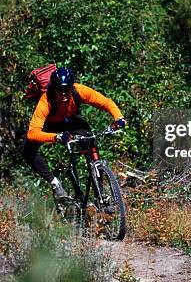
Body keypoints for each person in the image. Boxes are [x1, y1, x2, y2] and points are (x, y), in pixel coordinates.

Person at [23, 66, 126, 199]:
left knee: (90, 140)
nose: (64, 94)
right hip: (50, 126)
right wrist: (56, 137)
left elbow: (106, 102)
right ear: (54, 88)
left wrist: (119, 118)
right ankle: (54, 183)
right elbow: (32, 133)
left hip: (70, 122)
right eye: (60, 90)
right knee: (26, 150)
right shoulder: (46, 100)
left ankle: (100, 193)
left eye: (67, 89)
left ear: (72, 87)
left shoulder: (80, 90)